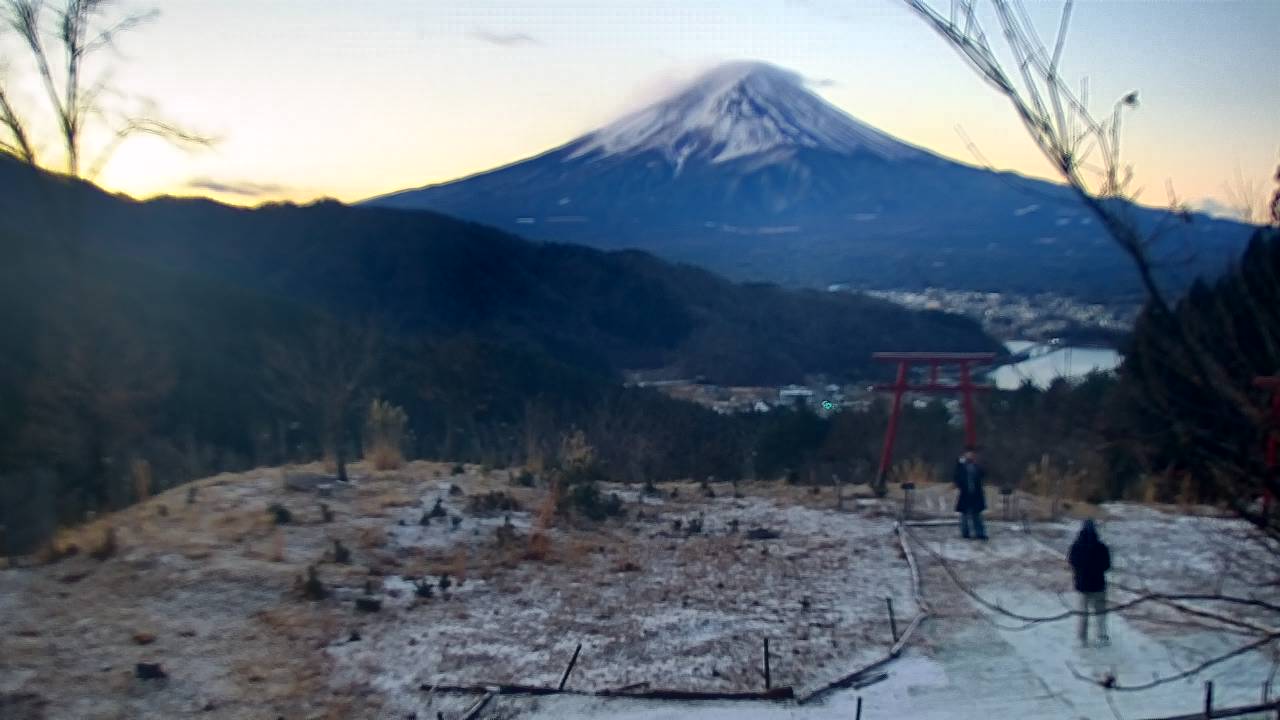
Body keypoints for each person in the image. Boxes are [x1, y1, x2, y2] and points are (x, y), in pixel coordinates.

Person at [1068, 518, 1112, 646]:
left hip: (1082, 585)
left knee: (1083, 613)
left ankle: (1082, 638)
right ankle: (1102, 637)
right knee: (1100, 613)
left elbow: (1072, 562)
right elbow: (1107, 565)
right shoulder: (1101, 547)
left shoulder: (1076, 546)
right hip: (1098, 585)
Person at [952, 446, 987, 540]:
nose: (970, 455)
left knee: (977, 515)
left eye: (972, 454)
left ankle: (980, 533)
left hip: (976, 494)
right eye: (969, 453)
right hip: (965, 493)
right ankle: (965, 533)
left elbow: (983, 474)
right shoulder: (961, 465)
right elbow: (957, 476)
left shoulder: (976, 465)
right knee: (964, 515)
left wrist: (978, 464)